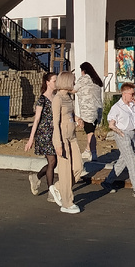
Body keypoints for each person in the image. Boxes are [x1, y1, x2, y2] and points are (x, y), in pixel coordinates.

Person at [103, 82, 135, 198]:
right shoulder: (116, 107)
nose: (133, 96)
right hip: (122, 134)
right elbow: (111, 124)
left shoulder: (133, 105)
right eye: (132, 94)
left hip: (132, 133)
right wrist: (120, 133)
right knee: (132, 161)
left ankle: (108, 181)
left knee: (123, 160)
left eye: (134, 93)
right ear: (124, 93)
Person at [51, 71, 83, 214]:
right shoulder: (57, 99)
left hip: (72, 136)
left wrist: (77, 119)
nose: (74, 83)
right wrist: (58, 144)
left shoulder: (69, 97)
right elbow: (56, 122)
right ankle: (67, 203)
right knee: (64, 171)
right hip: (62, 137)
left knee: (78, 167)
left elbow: (70, 114)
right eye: (73, 80)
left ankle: (58, 187)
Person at [24, 72, 58, 201]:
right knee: (52, 161)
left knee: (54, 163)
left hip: (55, 134)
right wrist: (31, 139)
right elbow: (37, 119)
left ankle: (36, 177)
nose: (56, 83)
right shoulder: (42, 99)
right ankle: (51, 192)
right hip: (44, 134)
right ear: (48, 83)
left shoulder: (57, 97)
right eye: (54, 81)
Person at [74, 62, 104, 162]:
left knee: (90, 133)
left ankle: (93, 152)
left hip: (87, 110)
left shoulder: (84, 79)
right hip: (97, 110)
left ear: (83, 70)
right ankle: (87, 150)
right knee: (91, 131)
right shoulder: (96, 80)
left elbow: (74, 89)